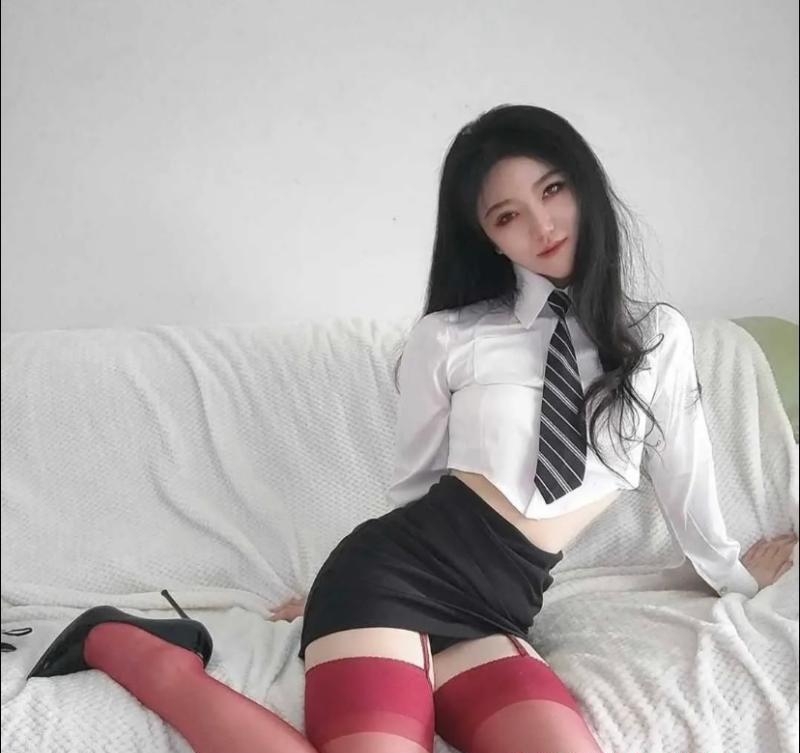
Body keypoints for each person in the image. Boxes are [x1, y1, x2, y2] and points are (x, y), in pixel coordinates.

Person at [25, 104, 798, 753]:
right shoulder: (452, 336)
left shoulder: (659, 338)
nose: (541, 224)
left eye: (553, 190)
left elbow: (685, 480)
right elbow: (419, 486)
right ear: (487, 236)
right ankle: (130, 648)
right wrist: (328, 593)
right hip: (387, 583)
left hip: (499, 610)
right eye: (507, 215)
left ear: (585, 185)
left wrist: (736, 574)